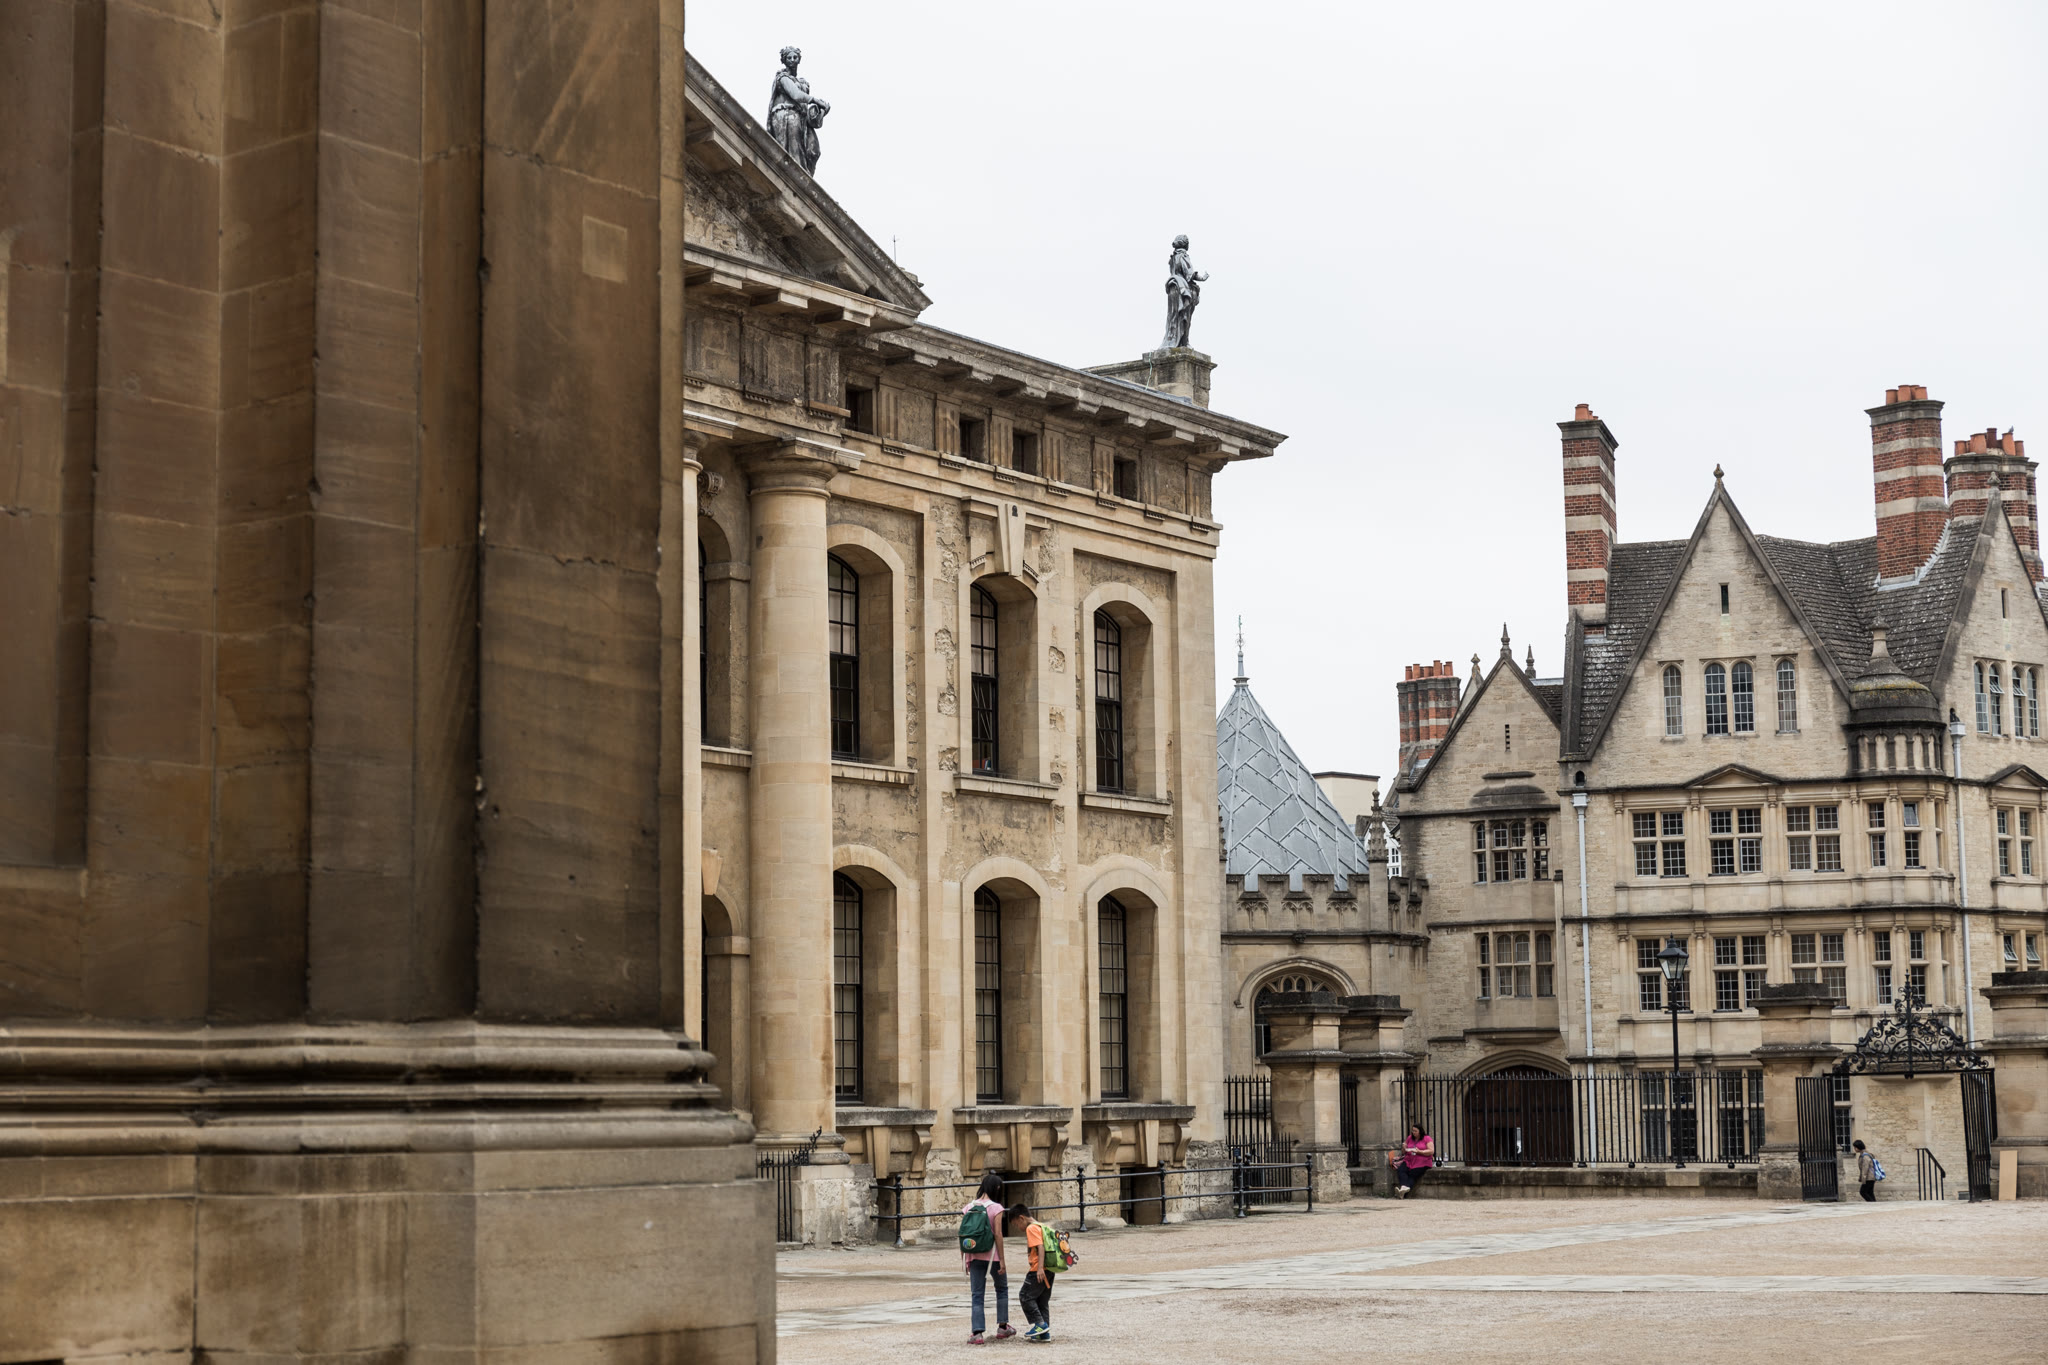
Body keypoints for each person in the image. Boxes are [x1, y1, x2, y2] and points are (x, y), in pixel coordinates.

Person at [962, 1172, 1015, 1344]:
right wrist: (1003, 1260)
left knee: (977, 1294)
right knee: (1002, 1289)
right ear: (997, 1188)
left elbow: (964, 1235)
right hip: (993, 1256)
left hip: (974, 1255)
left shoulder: (968, 1207)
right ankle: (1003, 1326)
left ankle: (977, 1333)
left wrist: (965, 1257)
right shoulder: (996, 1208)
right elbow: (998, 1234)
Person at [766, 46, 830, 173]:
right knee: (794, 151)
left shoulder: (803, 82)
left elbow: (807, 112)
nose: (792, 60)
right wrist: (815, 100)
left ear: (799, 59)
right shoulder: (782, 78)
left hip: (800, 118)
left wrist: (821, 111)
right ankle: (794, 174)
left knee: (813, 151)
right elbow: (795, 95)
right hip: (786, 116)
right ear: (784, 61)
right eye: (789, 58)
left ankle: (804, 176)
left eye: (795, 57)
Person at [1006, 1202, 1055, 1342]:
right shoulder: (1041, 1226)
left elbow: (1040, 1247)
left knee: (1025, 1296)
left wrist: (1039, 1268)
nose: (1018, 1227)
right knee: (1042, 1301)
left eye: (1016, 1224)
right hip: (1049, 1269)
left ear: (1021, 1218)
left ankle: (1040, 1325)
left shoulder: (1031, 1228)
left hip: (1038, 1270)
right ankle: (1044, 1333)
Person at [1390, 1122, 1434, 1197]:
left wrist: (1419, 1151)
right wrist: (1404, 1147)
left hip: (1422, 1161)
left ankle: (1403, 1191)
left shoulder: (1427, 1138)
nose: (1413, 1132)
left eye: (1415, 1131)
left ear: (1420, 1131)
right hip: (1409, 1160)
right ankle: (1403, 1189)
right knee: (1401, 1170)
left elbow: (1431, 1151)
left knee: (1412, 1174)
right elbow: (1403, 1152)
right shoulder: (1410, 1138)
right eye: (1413, 1131)